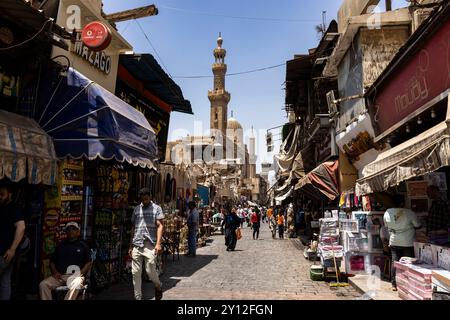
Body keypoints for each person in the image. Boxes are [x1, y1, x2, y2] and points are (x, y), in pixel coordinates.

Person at [39, 222, 91, 300]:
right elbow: (52, 262)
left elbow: (88, 262)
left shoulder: (83, 245)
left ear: (78, 232)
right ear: (66, 232)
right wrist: (55, 272)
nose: (71, 231)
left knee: (76, 283)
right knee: (43, 284)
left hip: (76, 276)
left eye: (73, 229)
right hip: (60, 276)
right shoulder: (60, 246)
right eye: (69, 229)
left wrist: (80, 274)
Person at [129, 188, 164, 300]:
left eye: (147, 198)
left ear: (150, 197)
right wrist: (130, 245)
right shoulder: (136, 209)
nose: (145, 201)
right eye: (143, 199)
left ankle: (158, 286)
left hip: (150, 244)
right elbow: (133, 228)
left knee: (149, 270)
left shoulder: (157, 209)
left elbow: (160, 226)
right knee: (135, 272)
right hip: (137, 244)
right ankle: (137, 297)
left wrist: (158, 244)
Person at [384, 194, 421, 291]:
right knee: (407, 263)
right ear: (403, 203)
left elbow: (386, 225)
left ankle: (394, 284)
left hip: (394, 241)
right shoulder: (409, 212)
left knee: (395, 262)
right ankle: (407, 284)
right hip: (407, 242)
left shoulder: (387, 212)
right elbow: (418, 225)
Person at [0, 184, 25, 300]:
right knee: (5, 282)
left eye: (2, 194)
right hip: (6, 253)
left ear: (10, 194)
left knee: (5, 282)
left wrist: (12, 249)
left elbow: (21, 226)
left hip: (4, 253)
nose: (0, 197)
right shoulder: (2, 207)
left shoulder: (13, 208)